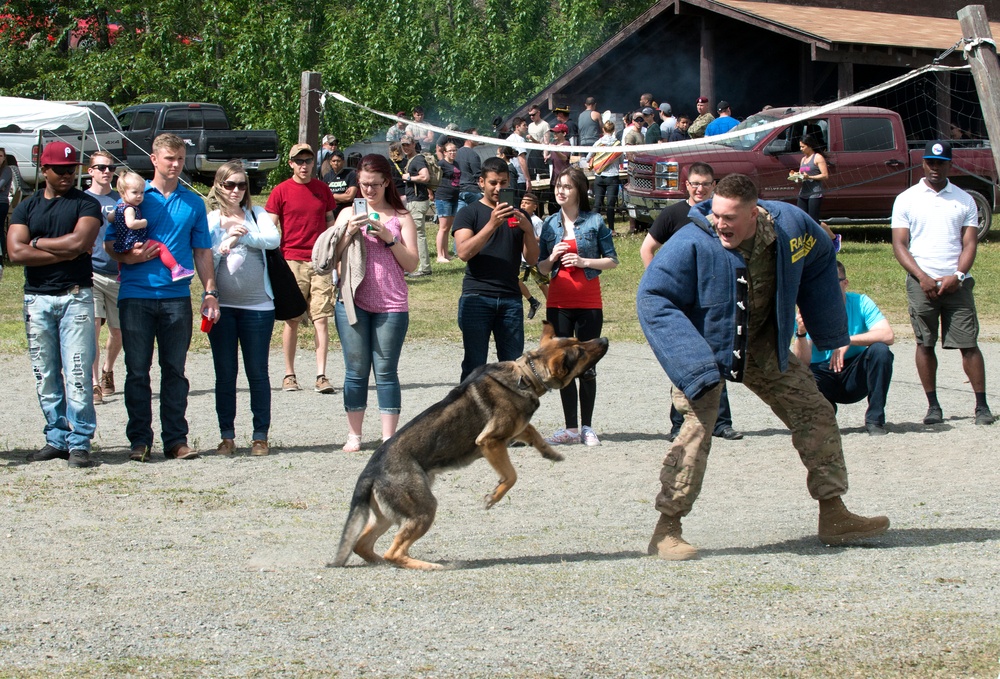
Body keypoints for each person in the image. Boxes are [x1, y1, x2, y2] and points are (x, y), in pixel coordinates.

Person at [637, 173, 890, 560]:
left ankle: (833, 514)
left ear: (755, 213)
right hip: (704, 348)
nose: (719, 223)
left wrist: (829, 327)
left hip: (763, 343)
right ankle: (666, 529)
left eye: (730, 218)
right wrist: (690, 363)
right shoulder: (691, 241)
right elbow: (652, 296)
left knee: (814, 411)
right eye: (716, 215)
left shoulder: (791, 226)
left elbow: (822, 256)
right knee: (697, 429)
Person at [105, 133, 219, 462]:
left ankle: (176, 440)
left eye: (180, 159)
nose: (175, 165)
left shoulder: (193, 202)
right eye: (169, 158)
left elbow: (201, 250)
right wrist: (130, 258)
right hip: (136, 294)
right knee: (137, 370)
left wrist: (210, 291)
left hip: (176, 297)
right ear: (154, 159)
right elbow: (110, 244)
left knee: (175, 370)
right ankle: (139, 440)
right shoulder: (137, 197)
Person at [7, 141, 101, 468]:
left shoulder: (86, 204)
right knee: (45, 374)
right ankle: (56, 437)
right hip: (37, 298)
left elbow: (80, 242)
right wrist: (60, 250)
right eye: (59, 169)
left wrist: (35, 242)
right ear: (44, 170)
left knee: (76, 370)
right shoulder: (27, 207)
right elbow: (15, 253)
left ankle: (79, 441)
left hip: (75, 296)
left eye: (71, 169)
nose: (66, 174)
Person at [890, 140, 994, 426]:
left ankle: (981, 405)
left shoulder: (964, 199)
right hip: (921, 281)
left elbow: (970, 243)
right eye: (930, 162)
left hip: (956, 282)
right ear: (923, 163)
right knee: (925, 343)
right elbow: (900, 244)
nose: (935, 168)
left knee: (968, 343)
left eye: (941, 163)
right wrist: (922, 277)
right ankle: (933, 405)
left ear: (950, 164)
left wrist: (958, 276)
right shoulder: (907, 198)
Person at [640, 162, 742, 441]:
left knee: (718, 357)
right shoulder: (673, 214)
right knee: (683, 359)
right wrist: (660, 284)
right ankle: (678, 424)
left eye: (706, 184)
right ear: (686, 185)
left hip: (714, 297)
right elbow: (647, 248)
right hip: (681, 302)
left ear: (714, 185)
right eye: (695, 183)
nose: (700, 189)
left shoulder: (721, 214)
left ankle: (721, 423)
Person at [330, 154, 420, 451]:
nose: (368, 190)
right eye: (364, 184)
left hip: (391, 303)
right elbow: (332, 259)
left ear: (386, 183)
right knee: (355, 370)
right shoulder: (346, 214)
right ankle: (354, 435)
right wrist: (347, 234)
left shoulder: (401, 216)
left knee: (385, 371)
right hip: (352, 301)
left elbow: (412, 264)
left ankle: (388, 437)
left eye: (375, 185)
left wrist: (389, 238)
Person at [537, 167, 618, 446]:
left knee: (587, 366)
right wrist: (552, 255)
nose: (561, 191)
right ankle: (570, 429)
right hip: (558, 303)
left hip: (588, 302)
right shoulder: (549, 224)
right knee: (562, 365)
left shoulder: (595, 222)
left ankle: (587, 427)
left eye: (567, 186)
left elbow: (612, 260)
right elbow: (541, 268)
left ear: (579, 191)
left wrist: (584, 262)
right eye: (558, 186)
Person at [205, 162, 280, 458]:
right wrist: (225, 233)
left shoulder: (256, 213)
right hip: (222, 306)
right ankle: (227, 436)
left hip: (259, 307)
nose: (236, 190)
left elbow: (273, 240)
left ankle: (260, 436)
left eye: (241, 185)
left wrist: (242, 234)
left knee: (257, 372)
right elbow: (204, 253)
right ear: (218, 185)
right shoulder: (211, 218)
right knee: (225, 373)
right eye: (229, 185)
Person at [452, 156, 539, 382]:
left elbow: (531, 259)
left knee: (512, 365)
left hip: (510, 297)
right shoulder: (468, 213)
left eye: (503, 182)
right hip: (477, 296)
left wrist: (528, 230)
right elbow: (463, 253)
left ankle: (509, 416)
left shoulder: (520, 215)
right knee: (474, 364)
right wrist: (491, 224)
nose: (498, 188)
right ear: (481, 182)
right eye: (493, 183)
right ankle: (469, 416)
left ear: (509, 181)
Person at [265, 143, 338, 395]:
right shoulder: (280, 191)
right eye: (299, 161)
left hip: (320, 262)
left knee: (321, 319)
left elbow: (330, 225)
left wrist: (333, 256)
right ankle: (289, 374)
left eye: (308, 161)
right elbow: (269, 228)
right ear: (291, 164)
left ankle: (321, 375)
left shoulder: (322, 190)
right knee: (292, 320)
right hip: (292, 261)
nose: (304, 166)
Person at [793, 261, 895, 436]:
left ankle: (875, 420)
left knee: (880, 351)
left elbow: (888, 335)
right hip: (822, 375)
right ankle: (825, 410)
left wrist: (847, 340)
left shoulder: (861, 302)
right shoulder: (811, 309)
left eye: (833, 281)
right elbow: (801, 362)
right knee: (803, 376)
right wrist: (801, 334)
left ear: (845, 283)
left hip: (854, 374)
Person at [84, 151, 122, 406]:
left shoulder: (121, 198)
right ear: (90, 171)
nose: (106, 171)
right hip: (92, 271)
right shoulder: (83, 200)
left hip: (120, 272)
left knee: (118, 330)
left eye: (110, 167)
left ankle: (108, 370)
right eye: (100, 167)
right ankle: (94, 382)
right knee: (92, 329)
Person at [111, 171, 195, 282]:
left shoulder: (119, 207)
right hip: (134, 241)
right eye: (134, 192)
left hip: (122, 243)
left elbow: (109, 218)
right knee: (161, 247)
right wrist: (143, 222)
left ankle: (121, 274)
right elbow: (131, 223)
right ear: (122, 193)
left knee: (121, 258)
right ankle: (176, 269)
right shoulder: (130, 208)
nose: (139, 196)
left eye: (142, 192)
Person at [400, 136, 433, 276]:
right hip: (413, 200)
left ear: (414, 144)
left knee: (419, 234)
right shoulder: (411, 160)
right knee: (414, 234)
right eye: (403, 145)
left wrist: (409, 178)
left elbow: (425, 177)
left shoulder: (418, 159)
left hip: (418, 201)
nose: (405, 147)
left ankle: (424, 268)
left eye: (408, 144)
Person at [587, 120, 622, 233]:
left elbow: (588, 158)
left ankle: (590, 228)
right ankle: (611, 229)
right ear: (613, 130)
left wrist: (597, 160)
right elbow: (621, 159)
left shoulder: (598, 142)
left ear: (603, 130)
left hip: (599, 176)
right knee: (610, 204)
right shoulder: (617, 144)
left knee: (597, 204)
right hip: (612, 177)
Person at [518, 192, 547, 320]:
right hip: (522, 259)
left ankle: (555, 307)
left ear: (535, 206)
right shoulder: (519, 219)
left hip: (535, 258)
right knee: (514, 280)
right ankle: (532, 301)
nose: (523, 205)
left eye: (527, 203)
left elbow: (542, 238)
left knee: (542, 284)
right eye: (522, 202)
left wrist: (529, 236)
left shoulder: (536, 221)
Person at [791, 134, 829, 224]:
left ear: (810, 146)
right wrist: (796, 176)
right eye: (800, 147)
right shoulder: (803, 159)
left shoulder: (818, 157)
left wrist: (809, 177)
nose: (801, 149)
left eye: (803, 147)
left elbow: (825, 175)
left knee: (814, 221)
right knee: (801, 217)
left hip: (815, 193)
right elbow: (802, 175)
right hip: (804, 192)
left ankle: (833, 237)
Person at [435, 140, 461, 262]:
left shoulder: (456, 163)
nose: (453, 152)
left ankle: (446, 253)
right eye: (450, 150)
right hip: (443, 197)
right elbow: (434, 179)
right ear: (445, 152)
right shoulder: (441, 164)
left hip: (454, 197)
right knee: (443, 227)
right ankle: (440, 255)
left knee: (448, 227)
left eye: (454, 150)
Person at [322, 150, 358, 218]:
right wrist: (342, 196)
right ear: (330, 162)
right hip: (331, 213)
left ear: (343, 162)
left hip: (347, 211)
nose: (336, 163)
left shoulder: (351, 174)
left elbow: (349, 197)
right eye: (334, 161)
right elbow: (324, 197)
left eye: (338, 161)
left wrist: (331, 196)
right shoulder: (327, 176)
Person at [505, 117, 532, 196]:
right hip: (519, 179)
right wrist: (528, 180)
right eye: (524, 125)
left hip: (510, 178)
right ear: (517, 127)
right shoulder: (519, 140)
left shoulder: (509, 139)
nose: (526, 127)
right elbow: (522, 160)